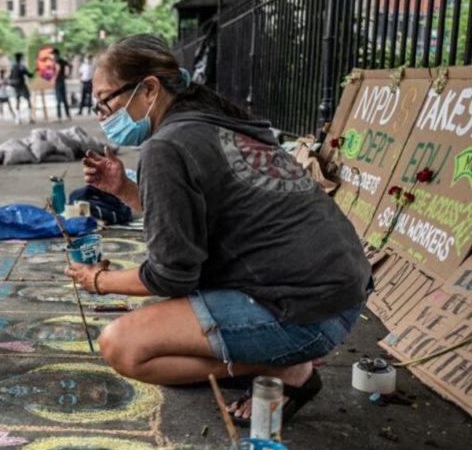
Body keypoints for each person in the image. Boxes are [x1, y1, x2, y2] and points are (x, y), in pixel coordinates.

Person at [66, 34, 370, 427]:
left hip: (307, 314)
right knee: (165, 328)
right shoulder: (212, 121)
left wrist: (99, 280)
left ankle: (287, 369)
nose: (101, 115)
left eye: (105, 101)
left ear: (150, 89)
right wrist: (123, 189)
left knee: (123, 345)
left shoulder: (166, 146)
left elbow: (171, 275)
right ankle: (261, 356)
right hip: (340, 293)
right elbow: (186, 221)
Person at [9, 52, 34, 124]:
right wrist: (34, 71)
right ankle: (29, 117)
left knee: (17, 101)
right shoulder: (22, 67)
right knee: (28, 100)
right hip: (22, 85)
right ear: (20, 58)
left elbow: (10, 77)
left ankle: (18, 119)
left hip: (16, 86)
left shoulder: (13, 67)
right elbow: (29, 75)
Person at [52, 47, 71, 121]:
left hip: (58, 82)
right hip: (61, 80)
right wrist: (67, 75)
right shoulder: (62, 61)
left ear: (56, 54)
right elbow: (70, 66)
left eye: (53, 54)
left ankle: (59, 116)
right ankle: (67, 115)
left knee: (58, 99)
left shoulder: (56, 62)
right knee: (63, 99)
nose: (53, 56)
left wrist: (54, 79)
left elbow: (57, 70)